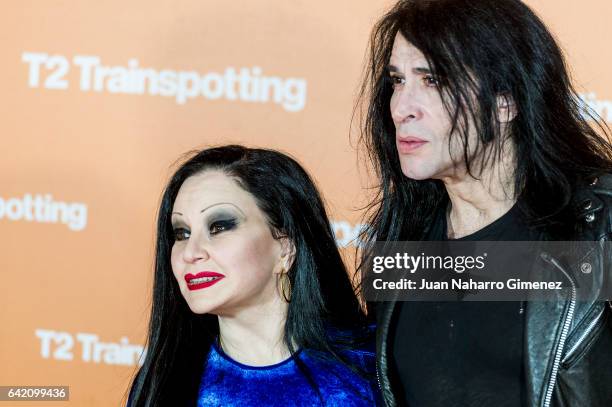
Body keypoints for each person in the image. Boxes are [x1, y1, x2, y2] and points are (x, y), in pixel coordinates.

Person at [355, 0, 612, 406]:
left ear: (505, 100)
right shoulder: (400, 242)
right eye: (397, 81)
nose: (402, 108)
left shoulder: (599, 230)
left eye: (433, 81)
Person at [127, 145, 378, 406]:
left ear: (285, 246)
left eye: (219, 226)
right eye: (182, 233)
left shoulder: (370, 366)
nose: (191, 252)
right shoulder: (162, 384)